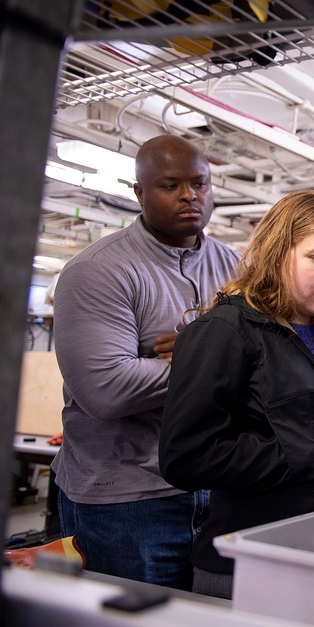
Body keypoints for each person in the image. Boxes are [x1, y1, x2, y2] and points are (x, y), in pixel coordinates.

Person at [159, 190, 314, 599]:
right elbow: (186, 455)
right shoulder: (226, 330)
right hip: (249, 567)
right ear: (278, 252)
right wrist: (302, 455)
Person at [51, 134, 239, 588]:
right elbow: (106, 389)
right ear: (138, 192)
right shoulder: (98, 271)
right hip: (126, 502)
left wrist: (198, 352)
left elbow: (265, 363)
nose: (190, 195)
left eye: (200, 183)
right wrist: (215, 357)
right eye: (170, 185)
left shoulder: (234, 267)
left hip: (216, 489)